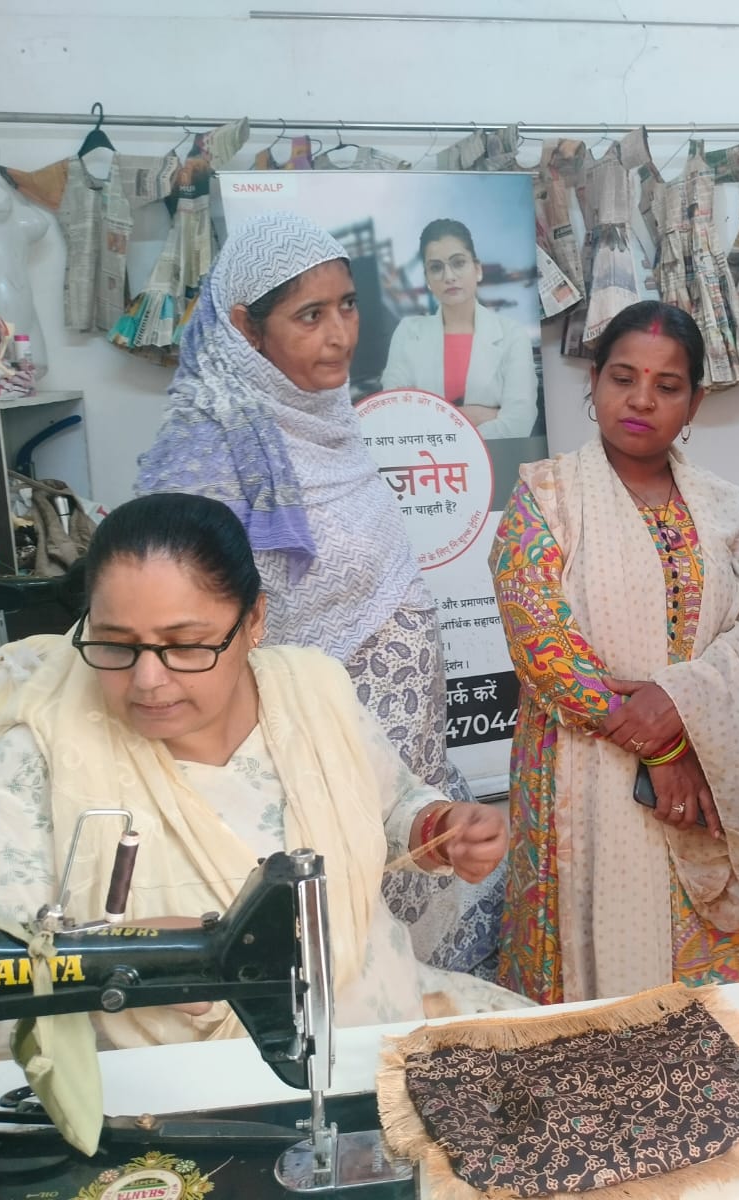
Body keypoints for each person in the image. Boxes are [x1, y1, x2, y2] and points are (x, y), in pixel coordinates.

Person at [0, 493, 527, 1046]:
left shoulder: (313, 694)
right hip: (169, 1092)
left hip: (378, 1020)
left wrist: (436, 827)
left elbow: (391, 805)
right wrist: (110, 958)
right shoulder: (39, 759)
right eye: (115, 645)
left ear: (254, 621)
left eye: (186, 645)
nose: (147, 680)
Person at [133, 210, 501, 980]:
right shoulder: (207, 445)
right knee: (338, 979)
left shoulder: (322, 415)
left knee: (417, 997)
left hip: (402, 771)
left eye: (347, 306)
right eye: (310, 315)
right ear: (246, 327)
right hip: (306, 771)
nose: (340, 334)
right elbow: (190, 626)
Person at [490, 299, 739, 1005]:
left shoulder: (719, 504)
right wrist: (660, 748)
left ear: (695, 401)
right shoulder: (547, 497)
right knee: (593, 994)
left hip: (705, 772)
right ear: (593, 384)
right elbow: (544, 646)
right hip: (584, 772)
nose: (642, 400)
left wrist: (678, 703)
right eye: (623, 378)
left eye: (668, 385)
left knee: (721, 1009)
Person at [381, 218, 539, 438]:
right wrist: (482, 416)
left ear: (478, 270)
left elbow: (519, 423)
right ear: (427, 279)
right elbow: (394, 416)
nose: (449, 277)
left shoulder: (512, 335)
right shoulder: (408, 332)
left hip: (500, 462)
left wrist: (434, 424)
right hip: (429, 467)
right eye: (436, 268)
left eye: (458, 263)